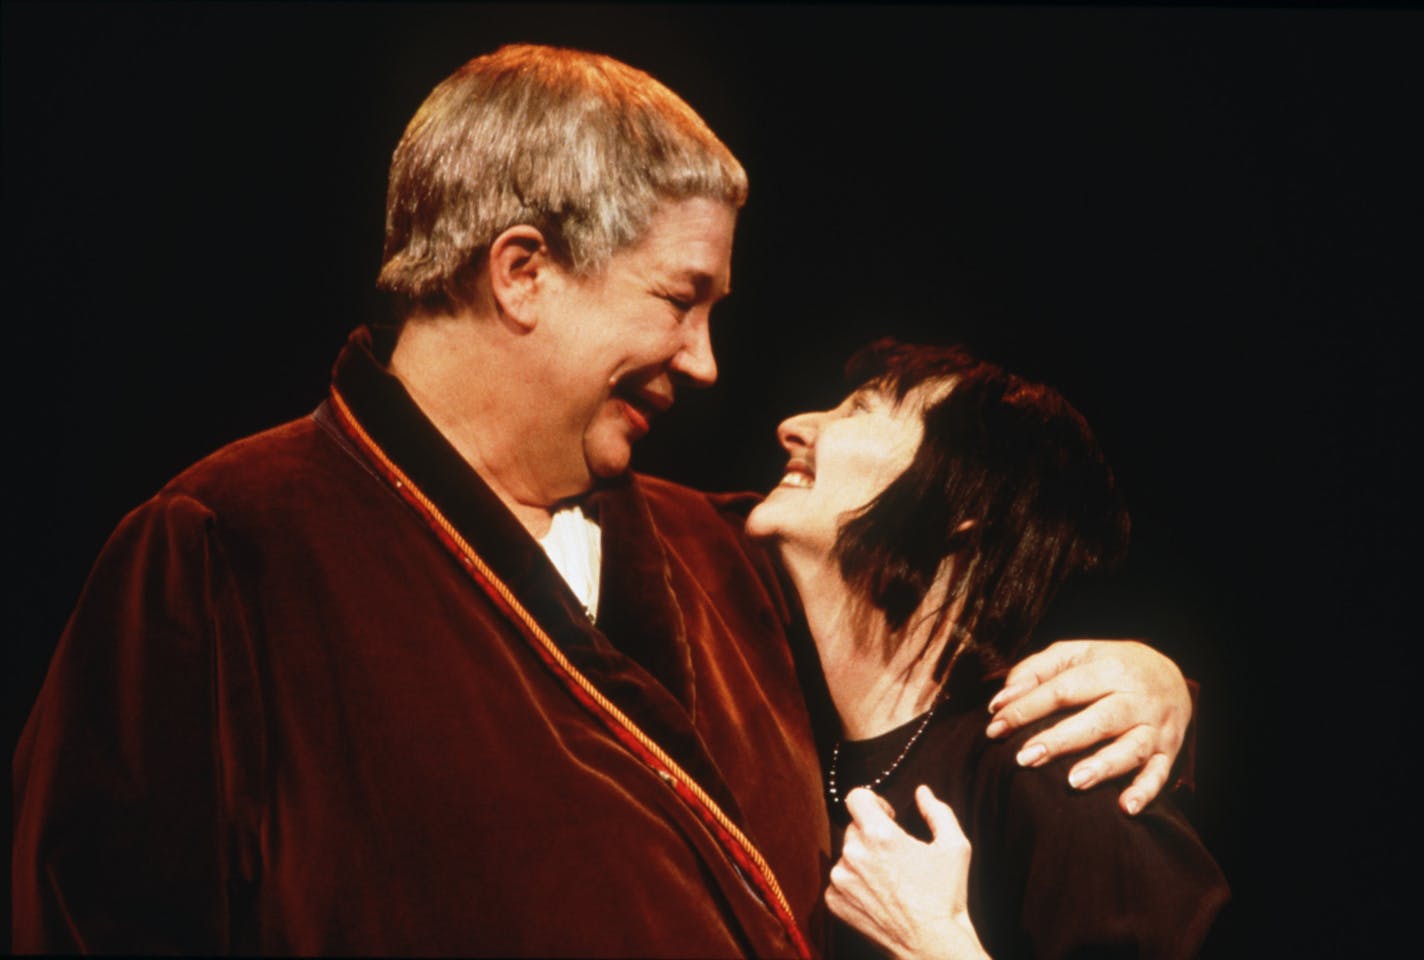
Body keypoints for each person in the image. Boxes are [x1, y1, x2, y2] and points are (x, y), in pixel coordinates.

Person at [13, 46, 1194, 956]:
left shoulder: (713, 552)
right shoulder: (230, 547)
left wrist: (1151, 679)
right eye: (680, 299)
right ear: (521, 271)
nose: (706, 362)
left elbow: (907, 654)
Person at [746, 340, 1230, 959]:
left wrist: (936, 947)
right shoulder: (778, 727)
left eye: (862, 409)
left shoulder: (1056, 768)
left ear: (959, 509)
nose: (795, 426)